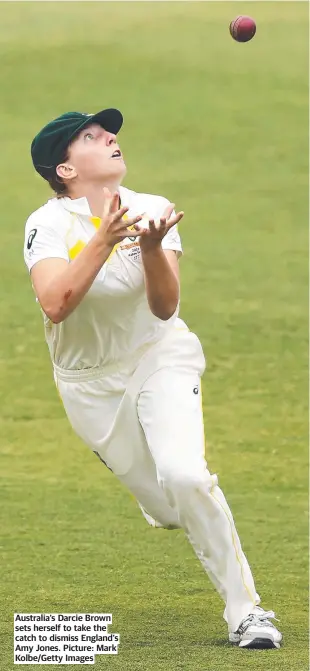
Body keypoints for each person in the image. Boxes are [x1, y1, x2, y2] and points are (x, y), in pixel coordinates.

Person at [24, 107, 282, 649]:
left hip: (159, 354)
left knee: (186, 475)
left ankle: (247, 613)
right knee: (169, 506)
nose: (109, 137)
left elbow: (165, 308)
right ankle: (162, 494)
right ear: (64, 170)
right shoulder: (45, 225)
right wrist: (103, 238)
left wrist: (146, 246)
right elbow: (54, 305)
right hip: (89, 383)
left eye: (107, 131)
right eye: (90, 137)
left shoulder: (153, 210)